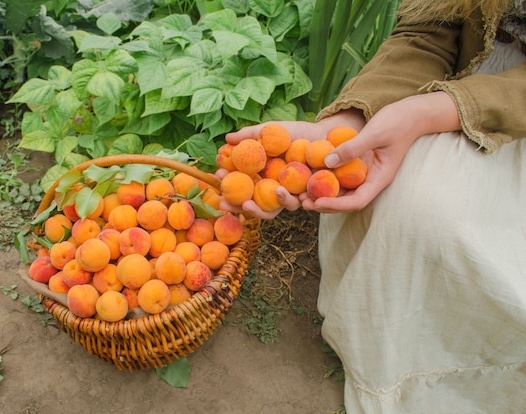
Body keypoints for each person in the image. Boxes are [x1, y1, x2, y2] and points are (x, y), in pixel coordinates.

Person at [218, 0, 526, 412]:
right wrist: (349, 121)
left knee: (457, 232)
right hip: (467, 77)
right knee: (401, 205)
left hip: (499, 103)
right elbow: (426, 33)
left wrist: (431, 111)